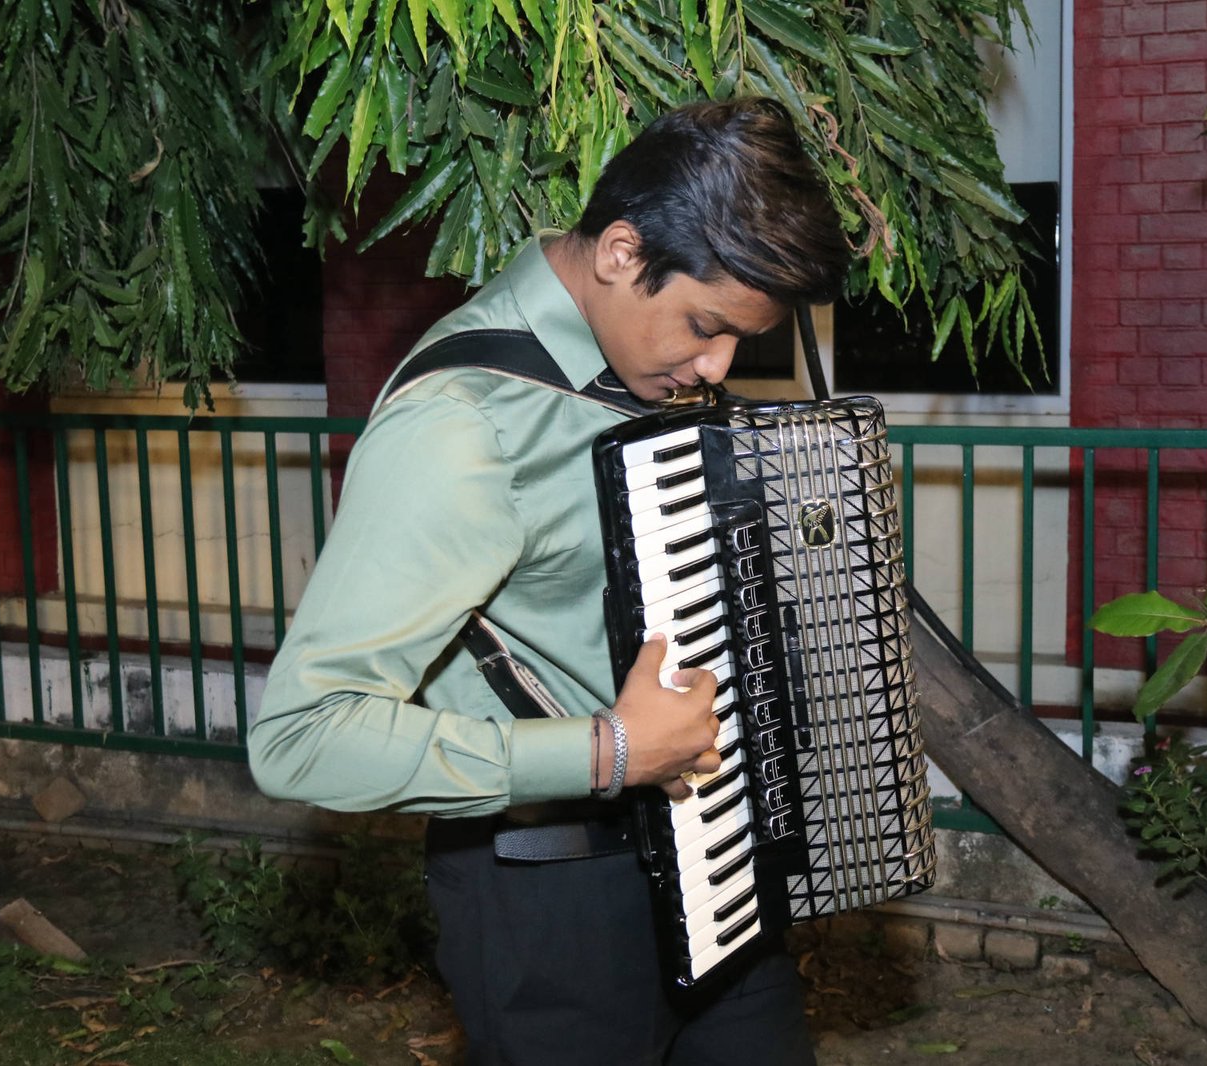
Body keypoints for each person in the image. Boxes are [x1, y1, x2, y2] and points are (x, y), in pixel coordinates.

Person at [247, 96, 850, 1065]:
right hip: (555, 901)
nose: (718, 366)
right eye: (705, 326)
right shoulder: (462, 427)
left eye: (742, 339)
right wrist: (611, 751)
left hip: (719, 868)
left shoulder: (645, 365)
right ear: (620, 252)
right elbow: (300, 737)